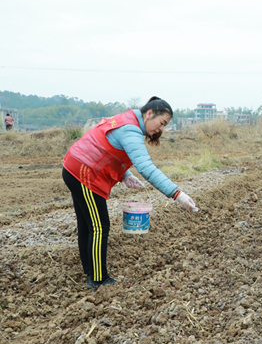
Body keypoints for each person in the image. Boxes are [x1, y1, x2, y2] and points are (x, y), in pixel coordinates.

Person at [63, 96, 198, 292]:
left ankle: (91, 273)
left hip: (74, 167)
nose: (160, 129)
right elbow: (147, 168)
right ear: (149, 113)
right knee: (99, 226)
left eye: (165, 125)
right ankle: (99, 279)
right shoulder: (131, 129)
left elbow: (105, 146)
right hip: (85, 174)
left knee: (87, 224)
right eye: (161, 123)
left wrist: (125, 175)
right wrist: (177, 194)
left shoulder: (127, 119)